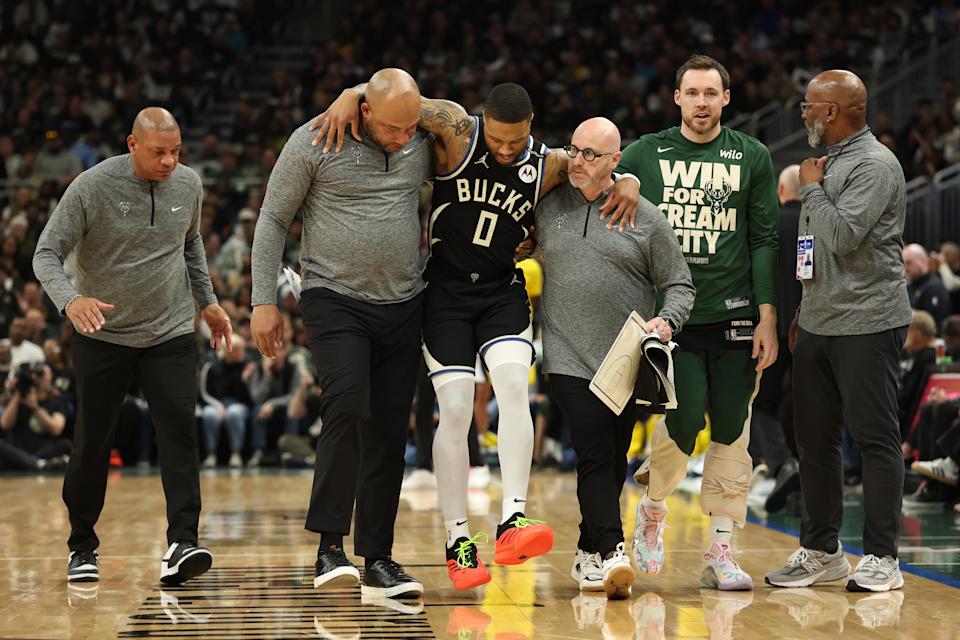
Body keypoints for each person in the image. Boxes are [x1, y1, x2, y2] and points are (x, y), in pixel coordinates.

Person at [312, 78, 640, 590]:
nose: (506, 150)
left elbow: (599, 166)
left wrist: (630, 180)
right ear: (484, 123)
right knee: (459, 408)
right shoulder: (456, 130)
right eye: (498, 140)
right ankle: (457, 538)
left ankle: (513, 519)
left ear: (531, 127)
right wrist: (346, 95)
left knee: (513, 387)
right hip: (443, 294)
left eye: (516, 141)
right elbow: (391, 97)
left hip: (499, 290)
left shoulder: (549, 163)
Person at [33, 107, 233, 585]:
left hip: (169, 332)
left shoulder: (189, 184)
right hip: (104, 334)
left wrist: (207, 302)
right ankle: (82, 546)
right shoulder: (90, 187)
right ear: (131, 144)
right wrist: (71, 299)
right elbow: (46, 253)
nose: (170, 162)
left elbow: (190, 244)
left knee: (180, 433)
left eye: (176, 151)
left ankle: (183, 542)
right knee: (92, 444)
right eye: (159, 152)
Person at [250, 68, 431, 599]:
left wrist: (352, 92)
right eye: (395, 128)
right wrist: (263, 301)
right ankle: (330, 547)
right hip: (333, 297)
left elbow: (459, 119)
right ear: (368, 114)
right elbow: (271, 221)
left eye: (411, 127)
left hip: (404, 301)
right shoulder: (313, 141)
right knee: (349, 406)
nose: (404, 138)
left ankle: (379, 558)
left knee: (391, 431)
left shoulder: (419, 137)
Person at [618, 54, 779, 590]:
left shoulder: (752, 156)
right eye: (693, 92)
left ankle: (722, 550)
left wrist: (767, 317)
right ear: (677, 97)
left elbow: (763, 240)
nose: (702, 102)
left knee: (733, 430)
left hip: (735, 316)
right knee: (684, 425)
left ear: (726, 98)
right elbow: (593, 181)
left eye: (712, 93)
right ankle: (654, 507)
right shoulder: (646, 152)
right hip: (673, 319)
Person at [765, 69, 911, 593]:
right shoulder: (829, 162)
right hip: (821, 319)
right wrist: (805, 308)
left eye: (809, 106)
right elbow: (817, 252)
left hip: (868, 320)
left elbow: (844, 235)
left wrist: (810, 190)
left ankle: (882, 559)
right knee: (814, 441)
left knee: (875, 440)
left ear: (832, 112)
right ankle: (822, 550)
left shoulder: (875, 164)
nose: (803, 114)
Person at [536, 117, 694, 599]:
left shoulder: (644, 216)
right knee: (594, 450)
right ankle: (612, 548)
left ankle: (586, 554)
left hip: (624, 363)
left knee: (610, 457)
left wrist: (667, 321)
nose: (577, 162)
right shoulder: (544, 207)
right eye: (574, 150)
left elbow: (681, 285)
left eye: (590, 154)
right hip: (565, 355)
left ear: (615, 162)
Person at [751, 164, 803, 514]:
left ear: (780, 192)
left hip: (772, 327)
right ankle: (803, 479)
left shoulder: (769, 223)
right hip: (814, 328)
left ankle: (783, 463)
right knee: (810, 406)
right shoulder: (822, 223)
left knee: (763, 405)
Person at [0, 362, 71, 470]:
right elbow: (5, 425)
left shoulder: (56, 401)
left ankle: (30, 462)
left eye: (42, 374)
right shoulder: (18, 398)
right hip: (18, 446)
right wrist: (18, 393)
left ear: (50, 378)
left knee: (66, 444)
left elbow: (56, 429)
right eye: (35, 373)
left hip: (41, 448)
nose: (37, 377)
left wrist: (35, 407)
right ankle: (39, 464)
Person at [903, 243, 952, 332]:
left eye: (909, 263)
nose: (905, 268)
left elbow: (935, 324)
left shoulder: (934, 287)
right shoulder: (909, 286)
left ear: (923, 261)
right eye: (903, 263)